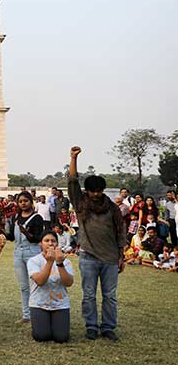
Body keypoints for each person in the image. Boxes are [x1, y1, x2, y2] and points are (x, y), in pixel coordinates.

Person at [69, 146, 126, 341]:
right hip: (88, 257)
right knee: (89, 295)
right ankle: (91, 326)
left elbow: (120, 231)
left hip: (110, 258)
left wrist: (121, 255)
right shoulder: (80, 203)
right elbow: (72, 181)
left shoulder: (112, 208)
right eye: (92, 191)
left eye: (99, 191)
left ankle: (108, 327)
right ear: (88, 191)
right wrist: (73, 158)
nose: (95, 194)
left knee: (110, 296)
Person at [27, 230, 74, 343]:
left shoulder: (65, 261)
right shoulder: (33, 261)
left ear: (57, 244)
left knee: (61, 338)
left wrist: (59, 264)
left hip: (60, 304)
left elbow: (68, 283)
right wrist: (49, 262)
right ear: (40, 244)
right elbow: (40, 281)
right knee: (41, 336)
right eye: (46, 240)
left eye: (53, 241)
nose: (50, 243)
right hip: (39, 304)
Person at [7, 190, 44, 324]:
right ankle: (26, 315)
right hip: (18, 253)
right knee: (23, 286)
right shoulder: (15, 218)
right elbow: (11, 237)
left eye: (25, 201)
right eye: (20, 201)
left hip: (32, 252)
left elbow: (37, 238)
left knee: (35, 284)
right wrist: (0, 229)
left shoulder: (37, 218)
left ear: (31, 202)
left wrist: (27, 233)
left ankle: (38, 312)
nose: (23, 203)